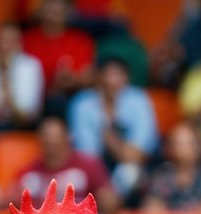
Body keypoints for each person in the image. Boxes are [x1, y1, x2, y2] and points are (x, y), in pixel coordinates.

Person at [67, 57, 158, 200]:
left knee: (130, 173)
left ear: (126, 78)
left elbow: (136, 156)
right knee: (76, 177)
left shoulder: (139, 100)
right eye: (107, 75)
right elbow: (88, 158)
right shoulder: (82, 104)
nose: (112, 82)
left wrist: (109, 136)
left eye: (118, 75)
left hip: (130, 171)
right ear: (97, 78)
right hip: (95, 174)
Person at [18, 114, 120, 214]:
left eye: (56, 137)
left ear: (68, 137)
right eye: (47, 137)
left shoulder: (88, 165)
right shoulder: (29, 173)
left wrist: (105, 200)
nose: (51, 142)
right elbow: (10, 201)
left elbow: (109, 201)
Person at [22, 0, 96, 110]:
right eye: (50, 3)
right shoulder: (26, 40)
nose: (56, 7)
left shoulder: (81, 40)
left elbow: (89, 77)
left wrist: (73, 80)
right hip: (32, 103)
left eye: (61, 3)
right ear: (40, 8)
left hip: (71, 101)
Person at [142, 122, 201, 212]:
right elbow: (152, 208)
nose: (183, 149)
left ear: (199, 148)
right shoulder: (162, 175)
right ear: (169, 148)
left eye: (189, 143)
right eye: (179, 143)